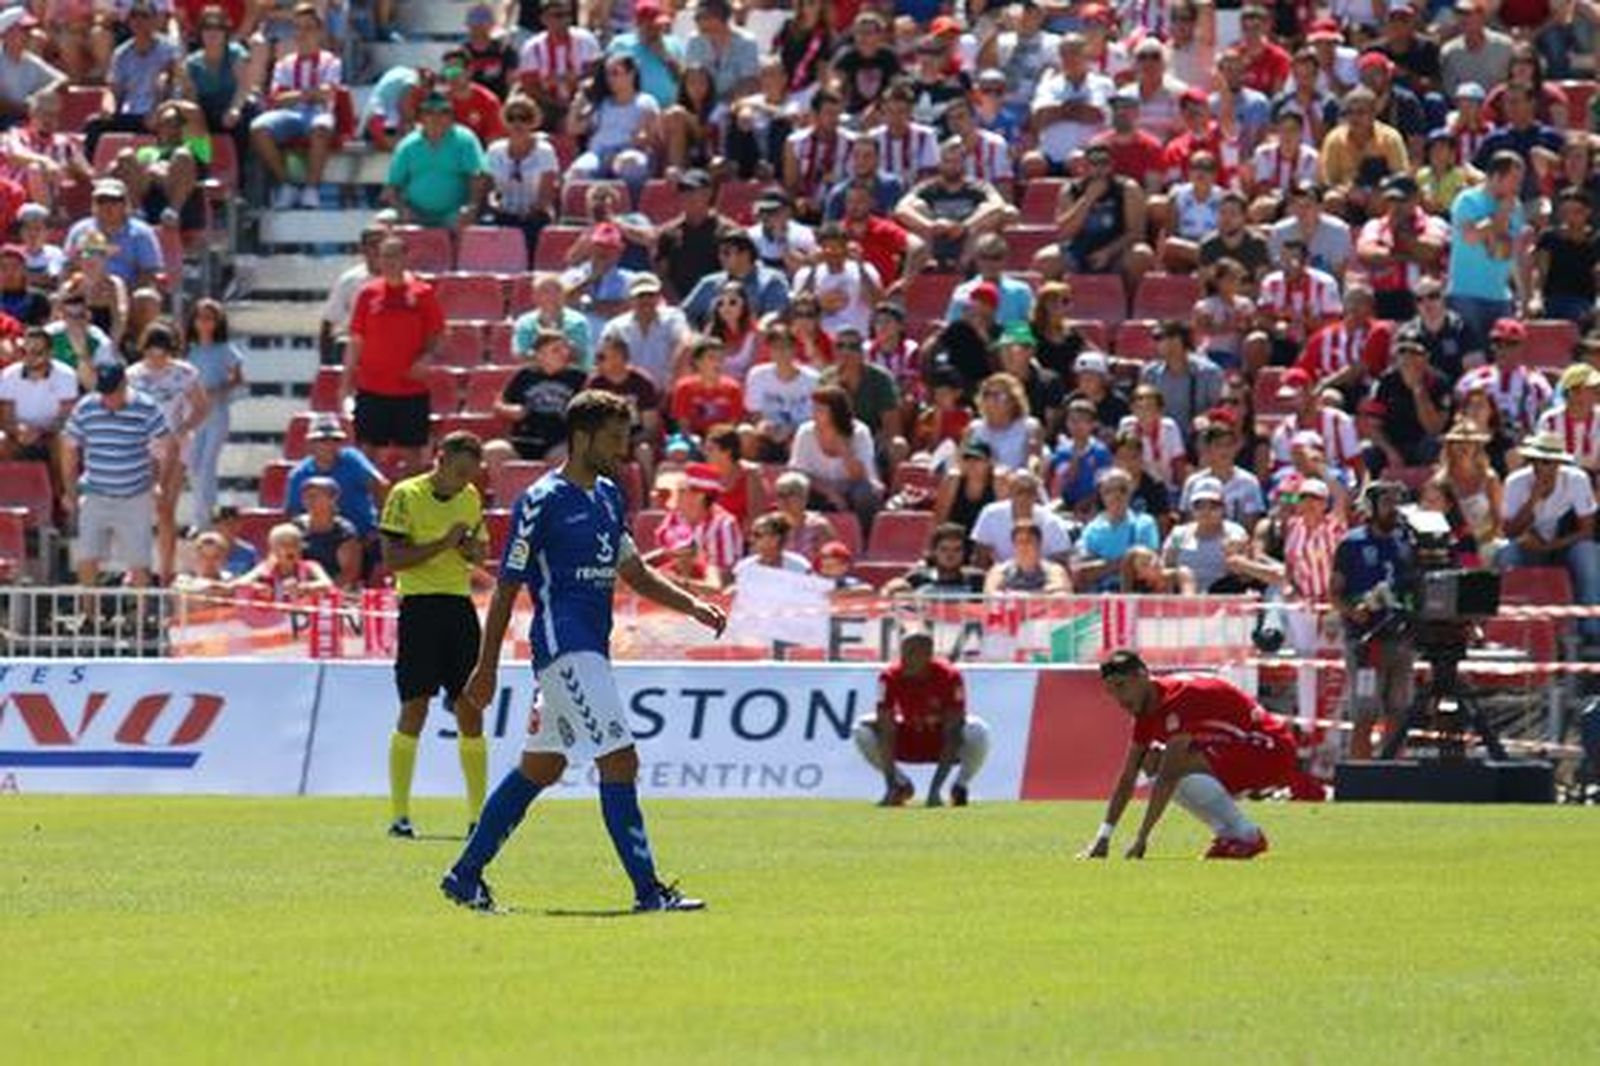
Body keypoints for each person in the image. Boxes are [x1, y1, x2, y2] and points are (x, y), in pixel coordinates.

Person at [441, 391, 726, 913]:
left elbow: (634, 572)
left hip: (590, 645)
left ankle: (465, 876)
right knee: (619, 759)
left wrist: (692, 605)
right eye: (614, 439)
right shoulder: (541, 499)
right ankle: (648, 892)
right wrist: (486, 668)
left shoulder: (609, 496)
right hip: (563, 646)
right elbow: (506, 587)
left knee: (542, 766)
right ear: (582, 437)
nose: (622, 449)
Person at [1080, 649, 1318, 862]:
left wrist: (1141, 839)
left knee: (1173, 765)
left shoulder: (1178, 698)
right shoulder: (1147, 707)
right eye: (1111, 691)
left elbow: (1169, 776)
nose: (1118, 698)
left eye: (1121, 686)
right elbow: (1128, 775)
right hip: (1241, 749)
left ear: (1141, 676)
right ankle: (1229, 835)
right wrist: (1103, 837)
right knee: (1151, 761)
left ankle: (1246, 836)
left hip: (1271, 752)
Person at [378, 431, 490, 840]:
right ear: (439, 459)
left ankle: (478, 817)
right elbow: (393, 559)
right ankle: (400, 816)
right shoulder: (405, 495)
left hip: (459, 606)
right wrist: (444, 543)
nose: (464, 480)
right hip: (419, 607)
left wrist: (469, 551)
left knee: (470, 709)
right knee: (415, 708)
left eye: (470, 473)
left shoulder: (470, 497)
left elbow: (480, 552)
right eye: (459, 471)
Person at [58, 363, 174, 603]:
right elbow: (69, 447)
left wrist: (159, 482)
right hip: (95, 492)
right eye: (104, 393)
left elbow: (165, 445)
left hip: (135, 494)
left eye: (112, 392)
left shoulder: (146, 406)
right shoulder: (86, 407)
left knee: (139, 561)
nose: (108, 398)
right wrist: (69, 491)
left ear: (124, 385)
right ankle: (89, 614)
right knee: (87, 557)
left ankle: (141, 615)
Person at [1330, 481, 1418, 760]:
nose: (1393, 509)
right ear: (1371, 507)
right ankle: (1361, 773)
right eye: (1387, 502)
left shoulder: (1407, 542)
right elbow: (1334, 592)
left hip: (1401, 638)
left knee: (1399, 712)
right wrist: (1352, 611)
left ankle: (1393, 771)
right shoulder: (1352, 544)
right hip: (1366, 642)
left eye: (1396, 502)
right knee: (1365, 713)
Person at [853, 629, 990, 808]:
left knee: (977, 730)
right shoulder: (889, 676)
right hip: (910, 735)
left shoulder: (950, 676)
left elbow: (952, 731)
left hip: (940, 739)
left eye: (911, 653)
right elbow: (887, 727)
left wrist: (935, 790)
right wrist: (889, 784)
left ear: (927, 655)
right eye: (903, 652)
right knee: (862, 729)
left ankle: (960, 786)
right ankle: (900, 785)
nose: (904, 658)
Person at [342, 235, 445, 471]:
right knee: (367, 453)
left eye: (395, 256)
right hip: (372, 387)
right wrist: (345, 383)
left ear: (406, 258)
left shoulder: (423, 293)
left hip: (411, 389)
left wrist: (427, 358)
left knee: (412, 454)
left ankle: (409, 497)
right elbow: (356, 340)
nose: (389, 262)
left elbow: (438, 335)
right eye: (384, 256)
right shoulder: (367, 294)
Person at [1499, 431, 1600, 645]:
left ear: (1558, 464)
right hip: (1528, 544)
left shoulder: (1577, 480)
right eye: (1534, 461)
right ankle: (1509, 629)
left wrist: (1552, 546)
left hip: (1563, 544)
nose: (1539, 467)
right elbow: (1509, 531)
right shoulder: (1515, 482)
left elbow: (1587, 531)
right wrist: (1533, 499)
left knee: (1588, 553)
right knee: (1507, 554)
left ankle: (1592, 632)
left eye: (1546, 462)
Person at [248, 4, 341, 209]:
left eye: (308, 28)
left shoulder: (331, 61)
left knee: (321, 127)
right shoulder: (285, 63)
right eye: (298, 28)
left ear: (319, 32)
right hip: (290, 115)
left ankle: (311, 188)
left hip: (319, 113)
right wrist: (309, 94)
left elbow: (328, 93)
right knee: (258, 128)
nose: (302, 33)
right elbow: (276, 98)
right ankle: (286, 183)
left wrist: (297, 95)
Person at [385, 92, 488, 230]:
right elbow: (392, 186)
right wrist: (402, 209)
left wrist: (471, 207)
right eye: (429, 112)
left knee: (463, 223)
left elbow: (478, 177)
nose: (436, 117)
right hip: (415, 213)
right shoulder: (407, 145)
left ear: (452, 116)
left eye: (444, 111)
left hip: (454, 213)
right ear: (421, 116)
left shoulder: (465, 140)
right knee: (383, 221)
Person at [497, 329, 587, 461]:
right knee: (494, 451)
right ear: (540, 355)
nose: (564, 353)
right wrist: (509, 410)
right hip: (522, 440)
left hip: (558, 442)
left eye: (566, 349)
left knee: (566, 456)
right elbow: (498, 404)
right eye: (556, 350)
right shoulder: (524, 375)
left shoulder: (578, 378)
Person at [882, 521, 986, 598]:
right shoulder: (918, 578)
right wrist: (893, 589)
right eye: (944, 549)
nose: (950, 555)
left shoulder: (977, 580)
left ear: (964, 552)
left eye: (957, 549)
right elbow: (890, 591)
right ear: (934, 551)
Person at [293, 476, 362, 589]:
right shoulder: (297, 526)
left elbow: (349, 574)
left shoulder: (344, 532)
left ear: (332, 499)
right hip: (300, 586)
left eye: (314, 496)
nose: (308, 501)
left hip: (333, 590)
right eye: (305, 497)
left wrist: (322, 590)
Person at [985, 521, 1070, 593]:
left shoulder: (1054, 570)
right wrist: (1042, 593)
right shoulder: (1000, 570)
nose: (1024, 546)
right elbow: (991, 595)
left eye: (1029, 541)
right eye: (1020, 541)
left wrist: (1014, 594)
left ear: (1039, 544)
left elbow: (1061, 594)